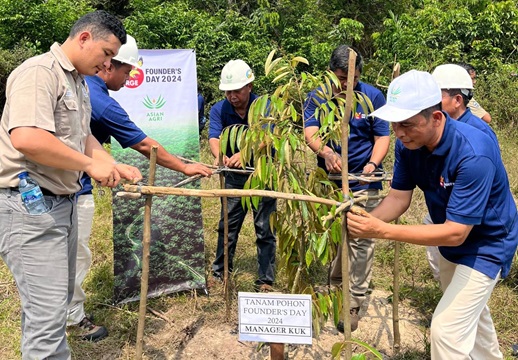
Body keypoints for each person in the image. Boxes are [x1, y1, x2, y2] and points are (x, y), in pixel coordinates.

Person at [0, 11, 143, 359]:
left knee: (50, 310)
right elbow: (28, 138)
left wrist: (111, 164)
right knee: (48, 321)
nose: (108, 64)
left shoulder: (77, 82)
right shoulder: (39, 73)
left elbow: (83, 138)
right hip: (30, 208)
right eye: (107, 54)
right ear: (84, 39)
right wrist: (90, 165)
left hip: (60, 206)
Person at [347, 69, 518, 359]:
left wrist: (380, 231)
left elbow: (456, 232)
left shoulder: (473, 152)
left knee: (446, 330)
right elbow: (399, 199)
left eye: (407, 124)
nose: (399, 133)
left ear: (437, 118)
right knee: (471, 318)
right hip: (449, 240)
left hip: (487, 244)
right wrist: (368, 218)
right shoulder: (408, 145)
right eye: (395, 124)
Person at [67, 35, 212, 341]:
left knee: (70, 256)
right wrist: (185, 167)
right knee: (74, 256)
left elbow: (87, 141)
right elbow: (146, 144)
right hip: (70, 191)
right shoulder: (102, 102)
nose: (130, 78)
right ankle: (71, 317)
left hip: (66, 186)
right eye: (127, 72)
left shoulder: (84, 88)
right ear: (110, 66)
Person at [303, 45, 390, 332]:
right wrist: (327, 153)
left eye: (350, 79)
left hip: (364, 182)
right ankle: (337, 288)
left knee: (362, 238)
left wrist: (372, 164)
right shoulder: (317, 95)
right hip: (330, 182)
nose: (345, 85)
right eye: (341, 78)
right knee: (337, 236)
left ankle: (354, 302)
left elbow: (382, 136)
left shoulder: (372, 97)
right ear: (331, 73)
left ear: (359, 76)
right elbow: (310, 133)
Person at [422, 64, 500, 280]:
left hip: (473, 222)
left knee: (466, 284)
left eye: (436, 97)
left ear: (457, 100)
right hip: (446, 209)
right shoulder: (434, 132)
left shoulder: (477, 134)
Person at [208, 59, 277, 292]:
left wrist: (244, 152)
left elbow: (268, 138)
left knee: (265, 227)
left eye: (236, 90)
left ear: (249, 86)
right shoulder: (219, 109)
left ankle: (266, 279)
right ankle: (220, 272)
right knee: (227, 225)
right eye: (228, 92)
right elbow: (214, 138)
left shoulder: (265, 107)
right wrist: (220, 156)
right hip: (233, 177)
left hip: (262, 174)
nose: (232, 96)